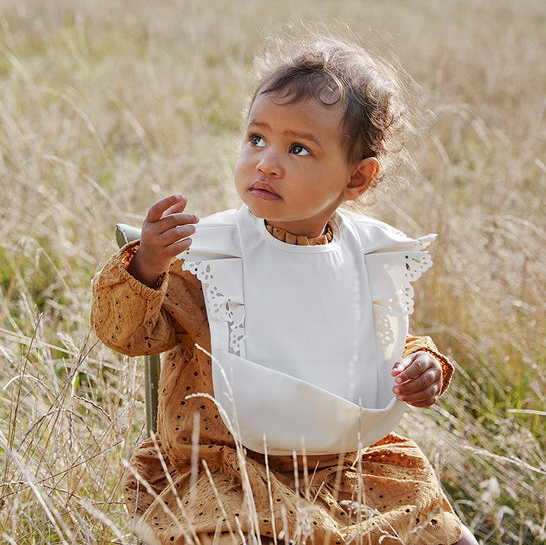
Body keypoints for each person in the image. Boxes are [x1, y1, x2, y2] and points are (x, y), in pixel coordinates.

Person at [91, 33, 478, 545]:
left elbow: (372, 345)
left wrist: (421, 365)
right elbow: (126, 336)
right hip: (222, 468)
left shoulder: (365, 255)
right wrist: (145, 267)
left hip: (342, 469)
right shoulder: (213, 256)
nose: (266, 162)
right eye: (256, 139)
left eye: (298, 148)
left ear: (358, 179)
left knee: (441, 529)